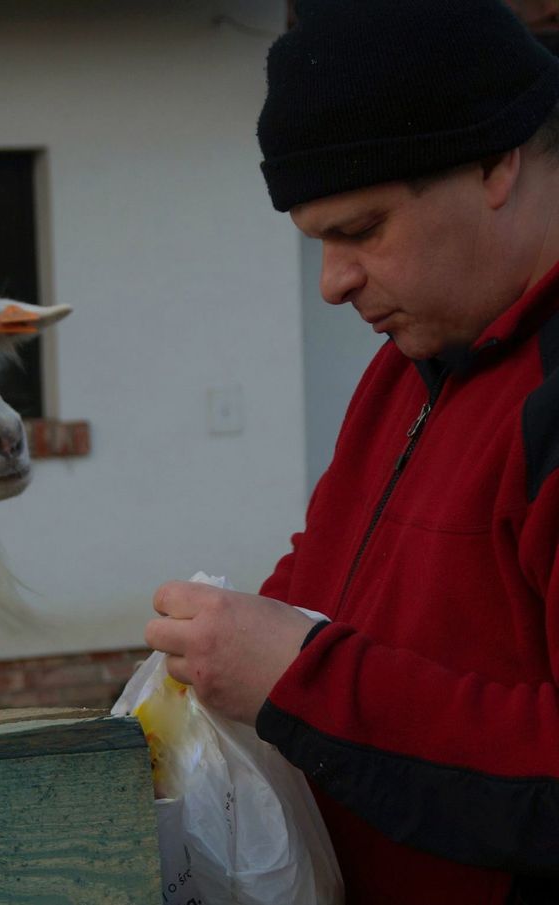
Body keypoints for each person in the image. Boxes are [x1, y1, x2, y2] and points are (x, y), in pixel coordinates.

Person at [144, 2, 559, 903]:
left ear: (498, 161)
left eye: (363, 230)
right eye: (317, 241)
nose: (333, 283)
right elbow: (328, 584)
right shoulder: (408, 366)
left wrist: (302, 679)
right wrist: (216, 662)